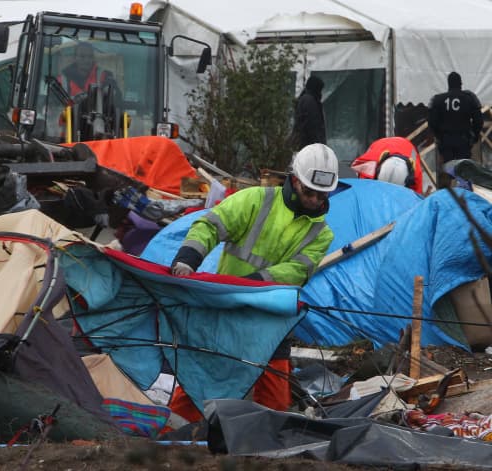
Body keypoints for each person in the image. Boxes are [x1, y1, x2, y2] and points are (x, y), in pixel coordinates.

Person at [168, 143, 339, 422]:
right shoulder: (255, 200)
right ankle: (170, 440)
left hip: (272, 321)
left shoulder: (322, 233)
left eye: (323, 194)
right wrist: (187, 260)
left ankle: (263, 453)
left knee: (274, 403)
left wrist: (249, 285)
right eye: (310, 191)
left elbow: (296, 272)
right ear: (294, 180)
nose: (315, 200)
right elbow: (210, 225)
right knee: (199, 385)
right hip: (227, 311)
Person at [428, 72, 483, 188]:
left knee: (446, 174)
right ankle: (465, 198)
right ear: (460, 84)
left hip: (446, 143)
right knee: (464, 172)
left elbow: (432, 123)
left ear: (448, 84)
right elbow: (478, 121)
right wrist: (474, 136)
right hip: (463, 142)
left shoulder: (438, 100)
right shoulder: (469, 98)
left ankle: (444, 198)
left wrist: (439, 137)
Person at [350, 136, 424, 194]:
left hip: (406, 145)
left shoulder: (415, 176)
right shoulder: (370, 163)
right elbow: (361, 189)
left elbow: (416, 199)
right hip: (382, 144)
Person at [290, 76, 327, 150]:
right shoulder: (309, 101)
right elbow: (312, 124)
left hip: (306, 143)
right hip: (309, 144)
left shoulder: (306, 98)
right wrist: (319, 144)